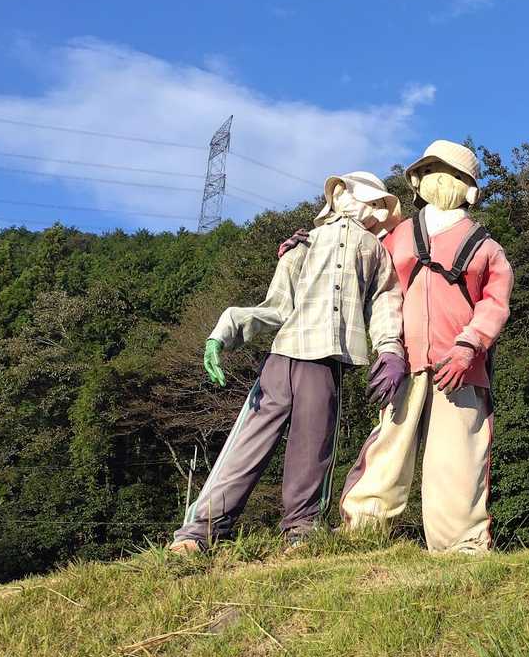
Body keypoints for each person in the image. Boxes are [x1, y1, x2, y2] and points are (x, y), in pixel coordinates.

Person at [168, 172, 405, 553]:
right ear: (340, 196)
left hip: (327, 359)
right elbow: (276, 307)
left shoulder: (375, 251)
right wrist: (223, 332)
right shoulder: (304, 243)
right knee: (247, 442)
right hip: (283, 355)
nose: (375, 209)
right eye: (370, 200)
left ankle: (302, 528)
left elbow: (385, 302)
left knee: (313, 447)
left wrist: (390, 348)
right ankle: (200, 531)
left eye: (380, 204)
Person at [336, 140, 513, 553]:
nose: (438, 179)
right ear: (417, 181)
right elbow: (363, 274)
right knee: (389, 448)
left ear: (469, 186)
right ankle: (364, 533)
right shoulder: (397, 236)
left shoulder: (486, 246)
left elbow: (495, 303)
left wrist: (470, 345)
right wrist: (311, 247)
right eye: (430, 170)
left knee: (459, 458)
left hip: (462, 368)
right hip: (404, 363)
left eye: (447, 172)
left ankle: (460, 545)